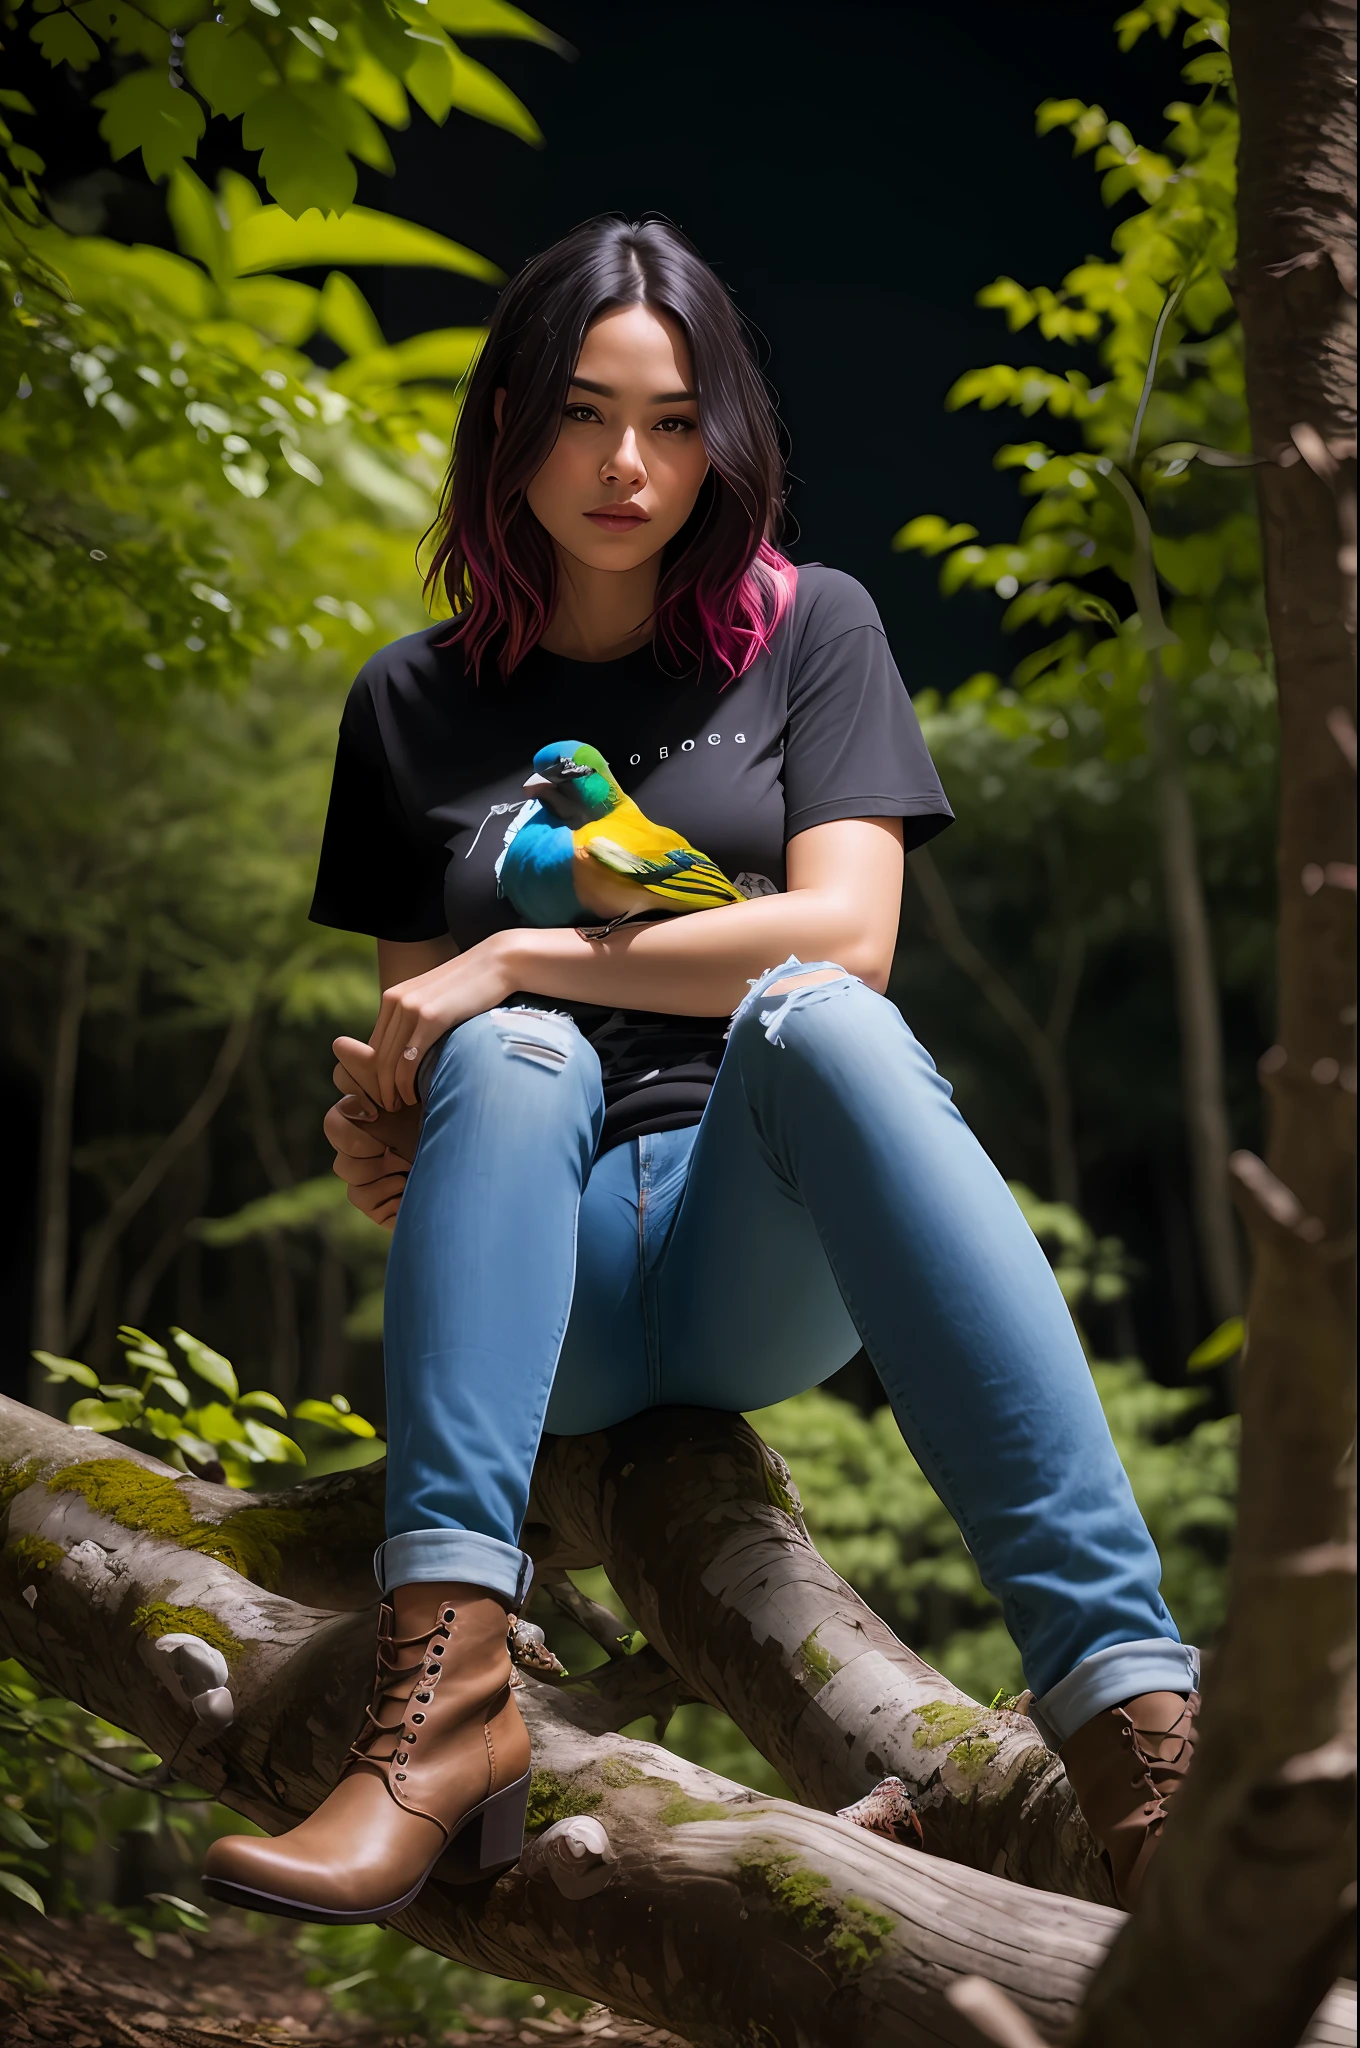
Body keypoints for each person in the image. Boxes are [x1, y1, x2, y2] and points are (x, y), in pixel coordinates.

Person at [203, 215, 1199, 1924]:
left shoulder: (812, 632)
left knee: (819, 1011)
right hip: (555, 1290)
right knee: (504, 1051)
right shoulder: (407, 706)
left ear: (723, 441)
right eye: (586, 414)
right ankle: (439, 1714)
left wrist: (517, 947)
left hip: (758, 1253)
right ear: (511, 418)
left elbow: (847, 928)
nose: (627, 465)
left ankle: (1132, 1728)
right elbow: (417, 1037)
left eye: (674, 424)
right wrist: (394, 1135)